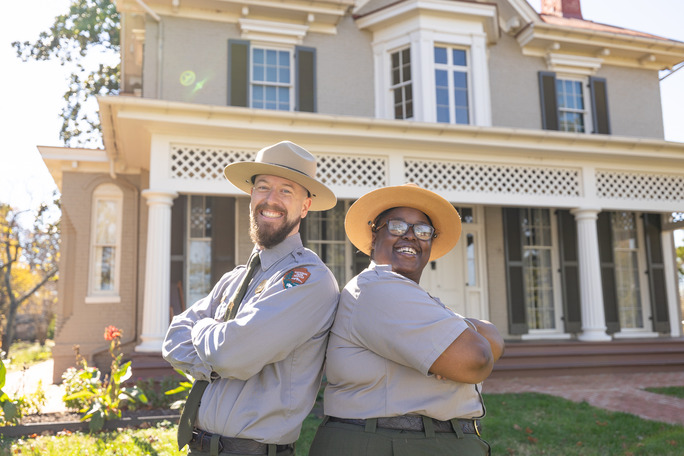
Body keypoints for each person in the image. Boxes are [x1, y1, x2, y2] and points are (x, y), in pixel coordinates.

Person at [162, 141, 340, 456]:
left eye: (286, 191)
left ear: (305, 206)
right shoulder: (235, 278)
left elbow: (233, 353)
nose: (271, 200)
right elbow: (173, 338)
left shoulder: (308, 278)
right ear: (251, 196)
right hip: (199, 448)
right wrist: (217, 357)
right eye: (263, 187)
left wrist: (203, 329)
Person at [309, 183, 504, 456]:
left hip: (413, 440)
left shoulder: (414, 297)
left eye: (423, 231)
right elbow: (476, 359)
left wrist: (457, 343)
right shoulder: (377, 288)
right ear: (373, 237)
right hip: (388, 442)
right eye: (397, 226)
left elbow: (492, 338)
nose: (411, 236)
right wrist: (457, 343)